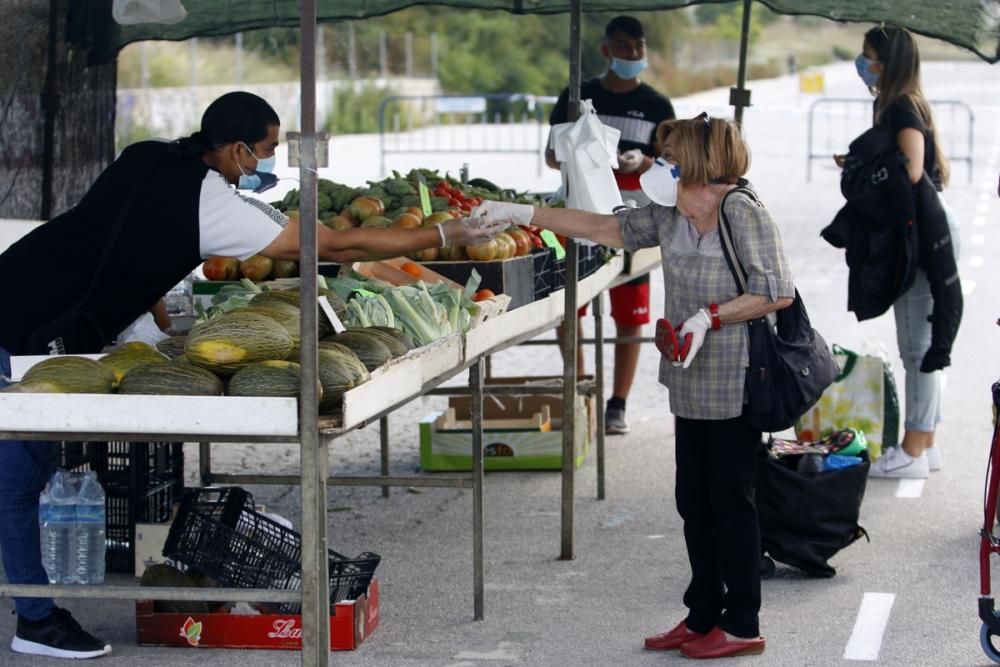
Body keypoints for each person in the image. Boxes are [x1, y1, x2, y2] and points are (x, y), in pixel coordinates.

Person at [0, 91, 503, 659]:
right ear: (239, 150)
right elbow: (337, 242)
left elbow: (122, 246)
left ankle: (32, 606)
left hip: (19, 280)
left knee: (16, 474)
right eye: (263, 151)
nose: (264, 162)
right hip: (27, 327)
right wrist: (443, 236)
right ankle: (37, 623)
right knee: (18, 477)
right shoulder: (214, 205)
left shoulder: (147, 155)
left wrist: (157, 324)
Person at [472, 113, 794, 659]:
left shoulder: (741, 210)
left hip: (737, 379)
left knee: (731, 504)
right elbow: (605, 227)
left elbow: (776, 292)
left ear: (700, 165)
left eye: (670, 159)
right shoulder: (670, 213)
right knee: (693, 501)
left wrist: (709, 318)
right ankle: (701, 615)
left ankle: (742, 624)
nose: (659, 166)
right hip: (689, 379)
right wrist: (521, 212)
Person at [839, 26, 962, 479]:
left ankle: (911, 448)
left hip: (923, 234)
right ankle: (925, 443)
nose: (863, 62)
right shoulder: (904, 102)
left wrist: (867, 166)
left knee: (917, 347)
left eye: (868, 55)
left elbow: (909, 169)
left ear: (887, 62)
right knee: (920, 344)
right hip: (930, 226)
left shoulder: (900, 106)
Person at [546, 15, 676, 436]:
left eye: (638, 48)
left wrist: (647, 161)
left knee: (629, 313)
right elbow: (551, 156)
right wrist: (586, 156)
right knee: (572, 307)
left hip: (635, 219)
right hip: (582, 212)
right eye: (623, 47)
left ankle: (616, 404)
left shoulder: (658, 106)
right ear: (606, 50)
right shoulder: (577, 94)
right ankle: (581, 393)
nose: (632, 55)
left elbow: (675, 166)